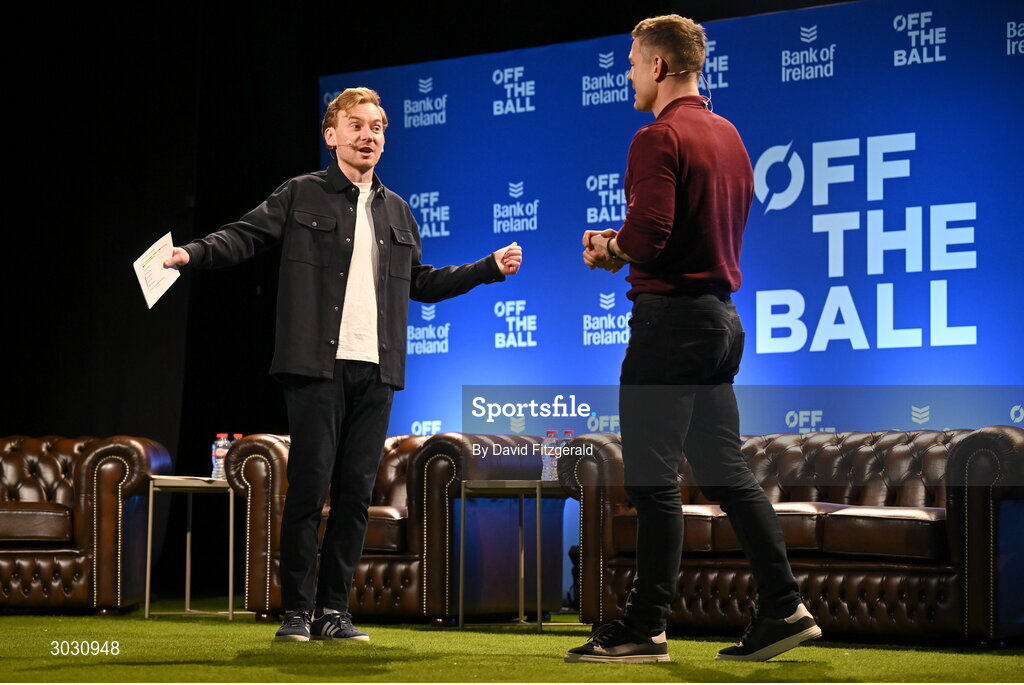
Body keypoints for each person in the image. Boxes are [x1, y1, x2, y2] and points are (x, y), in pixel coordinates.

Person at [164, 87, 523, 643]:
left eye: (377, 127)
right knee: (310, 489)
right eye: (356, 125)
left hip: (376, 370)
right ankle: (297, 611)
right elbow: (245, 236)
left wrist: (486, 269)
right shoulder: (301, 193)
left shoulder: (397, 210)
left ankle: (334, 611)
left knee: (356, 494)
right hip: (315, 366)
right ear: (331, 136)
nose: (367, 136)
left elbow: (420, 283)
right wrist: (193, 252)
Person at [566, 15, 820, 663]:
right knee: (725, 472)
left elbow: (650, 234)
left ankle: (644, 627)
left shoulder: (657, 137)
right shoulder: (729, 135)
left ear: (658, 66)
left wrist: (609, 249)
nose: (628, 75)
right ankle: (782, 606)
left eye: (632, 63)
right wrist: (630, 246)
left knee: (652, 482)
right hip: (720, 323)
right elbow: (691, 230)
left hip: (671, 325)